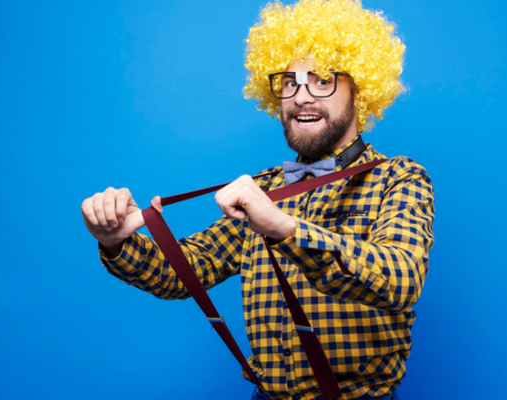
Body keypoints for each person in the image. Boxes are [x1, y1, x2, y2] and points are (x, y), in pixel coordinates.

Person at [81, 0, 435, 399]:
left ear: (361, 89)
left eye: (322, 80)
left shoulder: (399, 177)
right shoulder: (261, 190)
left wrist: (285, 228)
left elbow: (401, 279)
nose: (301, 97)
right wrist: (116, 240)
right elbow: (188, 272)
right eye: (289, 82)